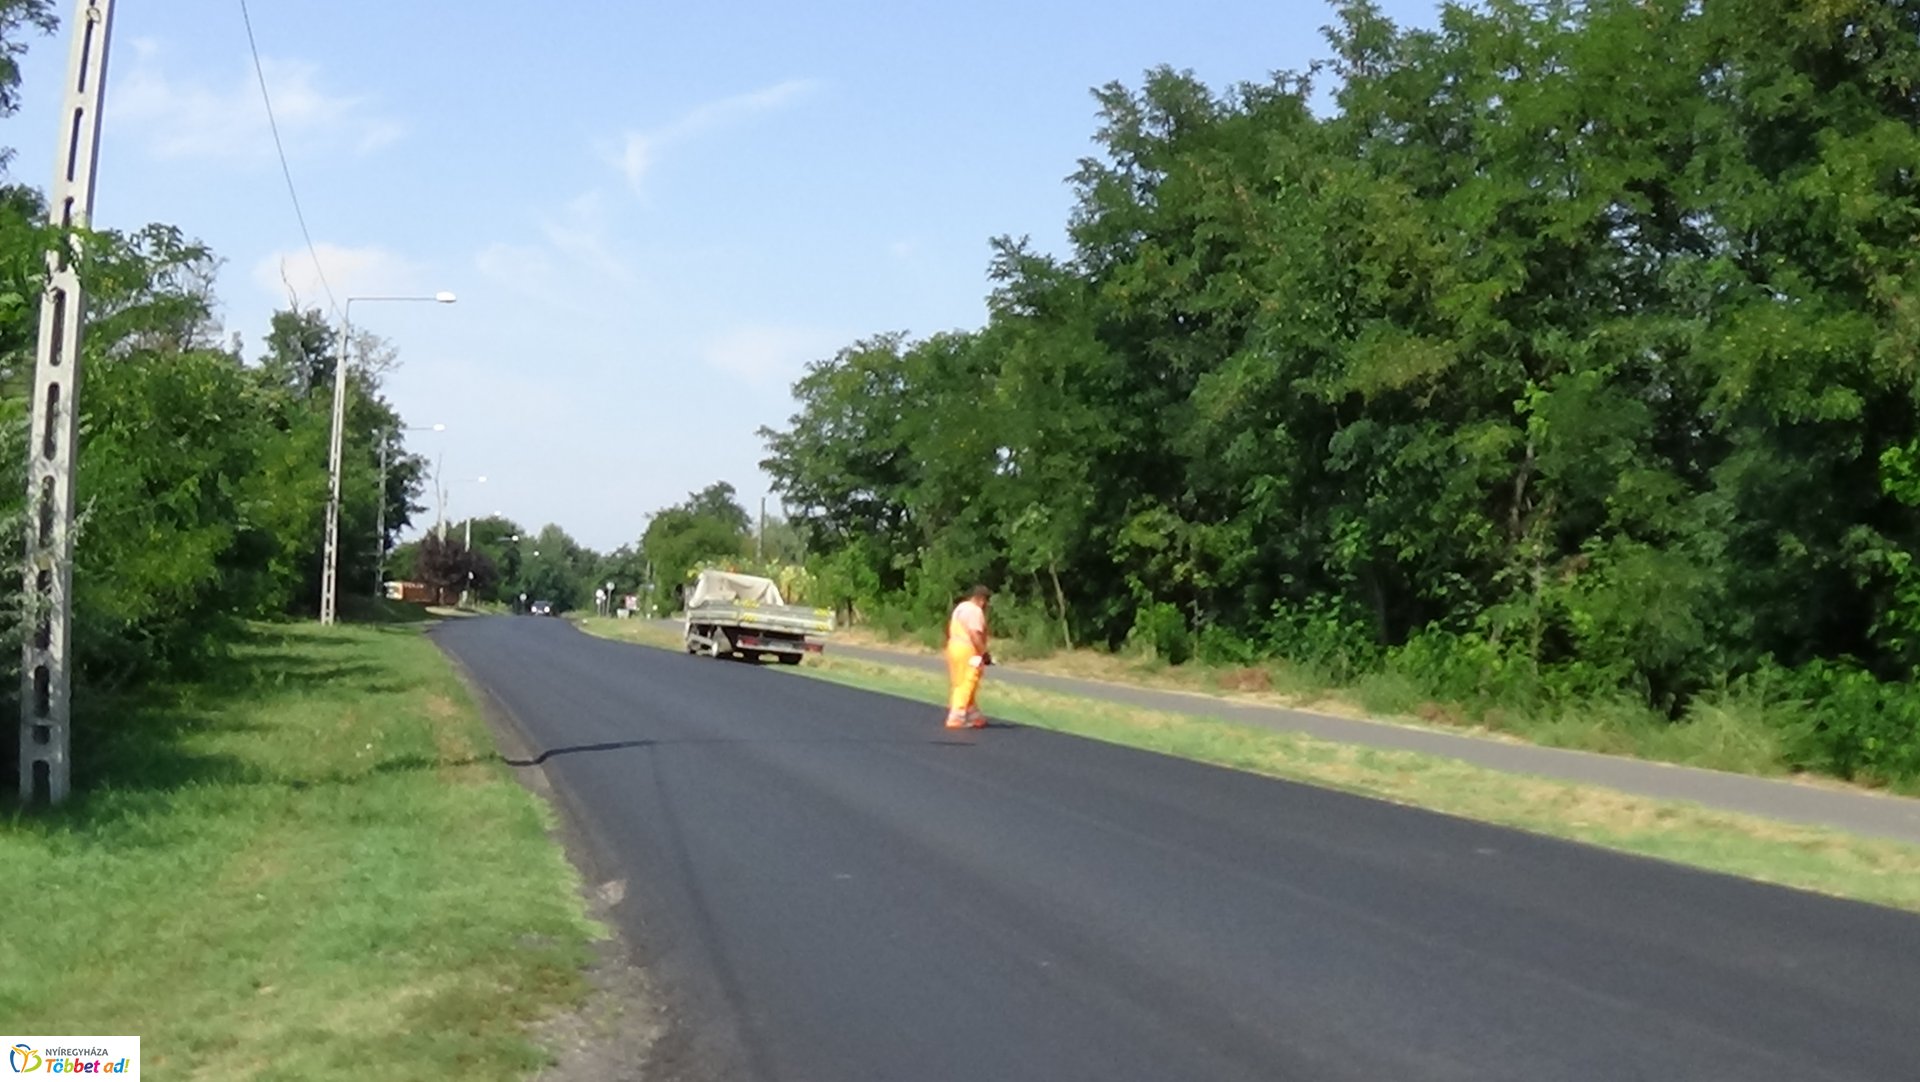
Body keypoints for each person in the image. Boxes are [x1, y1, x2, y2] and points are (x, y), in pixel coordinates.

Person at [945, 585, 993, 729]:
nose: (986, 605)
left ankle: (974, 716)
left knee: (959, 681)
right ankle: (956, 717)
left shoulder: (960, 608)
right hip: (968, 650)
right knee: (968, 681)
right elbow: (974, 634)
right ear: (981, 599)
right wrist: (983, 653)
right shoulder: (974, 611)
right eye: (986, 600)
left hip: (954, 647)